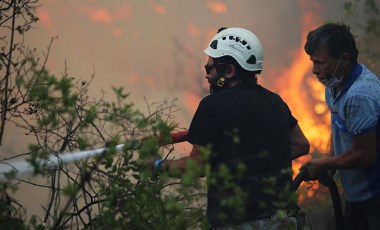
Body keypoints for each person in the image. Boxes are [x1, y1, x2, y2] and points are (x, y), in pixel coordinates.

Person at [152, 27, 310, 229]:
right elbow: (301, 144)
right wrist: (264, 160)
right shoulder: (275, 101)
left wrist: (157, 166)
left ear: (229, 71)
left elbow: (196, 167)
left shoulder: (212, 105)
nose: (207, 75)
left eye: (210, 68)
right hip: (284, 221)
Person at [301, 23, 380, 230]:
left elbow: (365, 155)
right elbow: (339, 129)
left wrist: (325, 164)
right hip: (357, 193)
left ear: (344, 59)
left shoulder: (359, 96)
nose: (314, 70)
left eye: (319, 62)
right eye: (312, 61)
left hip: (374, 193)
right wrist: (331, 159)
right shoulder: (334, 84)